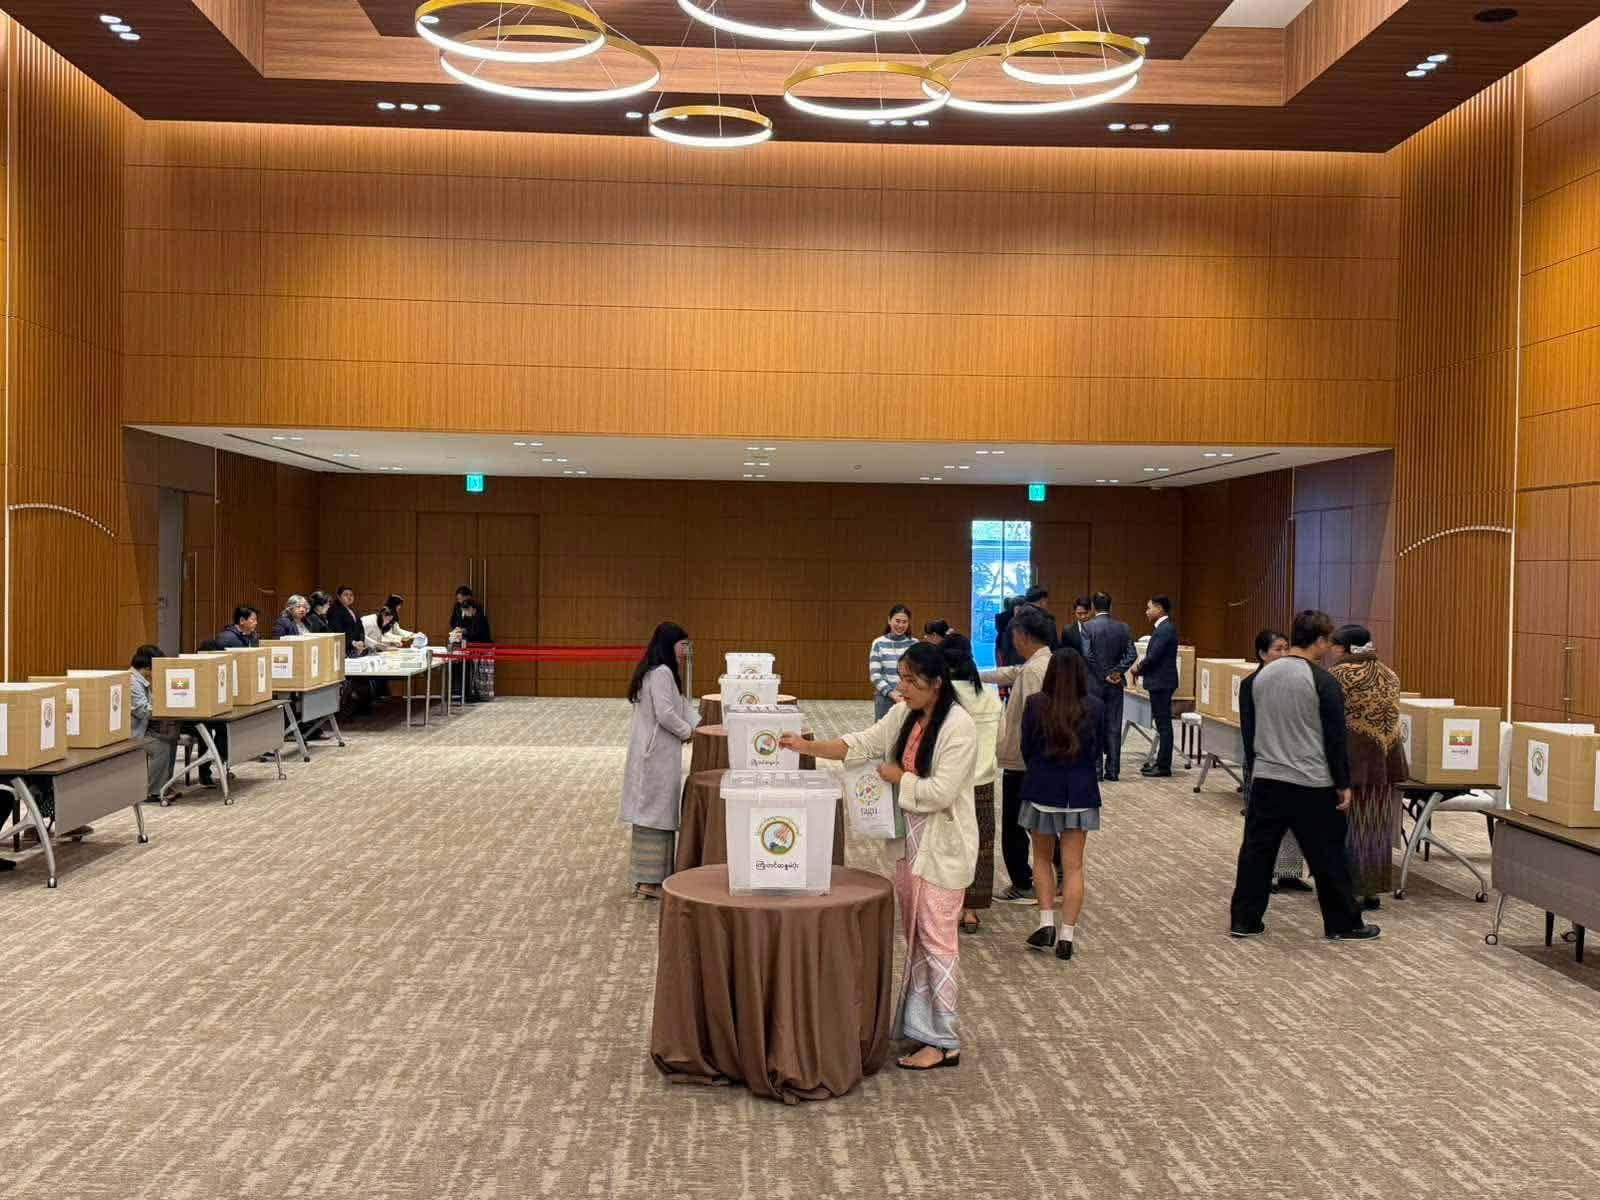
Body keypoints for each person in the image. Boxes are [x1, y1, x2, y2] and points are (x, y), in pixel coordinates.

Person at [781, 642, 977, 1071]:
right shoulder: (905, 714)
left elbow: (941, 792)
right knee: (917, 935)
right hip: (910, 845)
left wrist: (898, 777)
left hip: (942, 847)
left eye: (911, 681)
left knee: (938, 940)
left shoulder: (959, 727)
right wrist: (806, 747)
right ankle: (922, 1028)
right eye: (901, 678)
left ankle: (944, 1040)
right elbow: (864, 743)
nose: (902, 688)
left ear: (936, 683)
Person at [1228, 610, 1378, 942]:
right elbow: (1335, 738)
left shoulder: (1259, 679)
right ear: (1320, 641)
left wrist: (1255, 773)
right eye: (1328, 641)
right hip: (1312, 781)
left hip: (1267, 778)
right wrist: (1342, 783)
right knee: (1328, 856)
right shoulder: (1323, 681)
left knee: (1256, 853)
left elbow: (1250, 733)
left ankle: (1244, 920)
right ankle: (1343, 923)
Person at [1019, 647, 1103, 960]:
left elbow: (1026, 747)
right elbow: (1098, 751)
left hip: (1042, 790)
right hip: (1080, 794)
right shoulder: (1095, 706)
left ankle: (1046, 923)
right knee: (1074, 866)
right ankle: (1067, 936)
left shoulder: (1035, 704)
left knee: (1041, 859)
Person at [1328, 624, 1408, 910]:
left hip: (1352, 759)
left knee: (1348, 824)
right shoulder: (1390, 674)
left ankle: (1349, 889)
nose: (1331, 650)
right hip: (1385, 760)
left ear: (1344, 648)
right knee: (1375, 823)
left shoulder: (1338, 675)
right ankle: (1372, 890)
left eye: (1334, 645)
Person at [980, 604, 1055, 904]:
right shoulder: (1041, 662)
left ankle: (1023, 883)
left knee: (1015, 826)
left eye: (1014, 635)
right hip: (1032, 761)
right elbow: (1010, 673)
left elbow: (1035, 719)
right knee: (1039, 822)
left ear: (1023, 635)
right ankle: (1052, 876)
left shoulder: (1035, 670)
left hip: (1025, 762)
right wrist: (974, 675)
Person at [618, 623, 698, 899]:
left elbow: (681, 705)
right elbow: (666, 714)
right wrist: (689, 732)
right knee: (653, 816)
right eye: (682, 646)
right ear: (669, 645)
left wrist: (702, 725)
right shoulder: (662, 672)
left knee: (655, 814)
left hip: (656, 753)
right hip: (656, 756)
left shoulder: (656, 671)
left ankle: (652, 879)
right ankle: (649, 882)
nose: (685, 652)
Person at [1240, 629, 1312, 893]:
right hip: (1263, 760)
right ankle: (1264, 875)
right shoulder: (1252, 683)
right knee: (1263, 825)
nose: (1283, 654)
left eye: (1286, 648)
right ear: (1262, 653)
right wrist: (1254, 763)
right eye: (1277, 649)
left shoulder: (1296, 681)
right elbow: (1249, 728)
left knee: (1294, 820)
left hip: (1294, 760)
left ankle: (1288, 873)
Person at [943, 633, 1001, 935]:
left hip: (948, 783)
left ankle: (949, 904)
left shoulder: (941, 697)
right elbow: (1000, 738)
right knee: (981, 845)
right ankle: (971, 909)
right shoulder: (989, 696)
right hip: (983, 781)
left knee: (948, 844)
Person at [1080, 592, 1135, 781]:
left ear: (1093, 607)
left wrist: (1104, 675)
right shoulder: (1123, 627)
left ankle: (1096, 771)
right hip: (1115, 684)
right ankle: (1113, 771)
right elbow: (1132, 654)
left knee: (1093, 725)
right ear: (1110, 607)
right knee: (1114, 726)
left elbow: (1087, 655)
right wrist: (1116, 673)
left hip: (1094, 684)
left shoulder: (1087, 627)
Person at [1133, 595, 1179, 778]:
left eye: (1149, 608)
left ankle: (1163, 766)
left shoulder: (1165, 629)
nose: (1146, 612)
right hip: (1160, 681)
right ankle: (1160, 762)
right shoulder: (1163, 628)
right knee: (1162, 724)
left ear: (1159, 609)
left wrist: (1138, 668)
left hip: (1162, 682)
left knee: (1164, 725)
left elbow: (1153, 657)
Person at [130, 643, 177, 804]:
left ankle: (165, 785)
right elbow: (143, 710)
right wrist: (165, 707)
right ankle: (153, 791)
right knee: (161, 746)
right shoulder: (132, 682)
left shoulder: (141, 680)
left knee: (170, 738)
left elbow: (151, 703)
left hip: (144, 728)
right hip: (133, 733)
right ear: (149, 667)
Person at [870, 604, 915, 720]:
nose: (900, 625)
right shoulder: (878, 643)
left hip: (909, 697)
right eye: (897, 621)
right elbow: (875, 675)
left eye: (904, 622)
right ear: (889, 620)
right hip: (885, 698)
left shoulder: (914, 644)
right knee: (883, 730)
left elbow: (918, 673)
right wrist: (892, 693)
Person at [450, 597, 493, 704]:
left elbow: (475, 633)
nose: (465, 613)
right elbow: (469, 629)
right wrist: (462, 630)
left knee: (480, 674)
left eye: (465, 611)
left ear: (471, 608)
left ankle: (479, 695)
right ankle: (472, 694)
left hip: (482, 649)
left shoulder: (480, 618)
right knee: (474, 674)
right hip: (475, 649)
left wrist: (462, 633)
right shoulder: (473, 617)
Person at [330, 587, 367, 656]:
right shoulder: (334, 610)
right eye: (346, 595)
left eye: (351, 595)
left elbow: (361, 628)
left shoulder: (353, 610)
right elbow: (337, 630)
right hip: (344, 647)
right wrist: (352, 643)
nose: (349, 597)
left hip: (356, 648)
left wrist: (361, 641)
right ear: (339, 597)